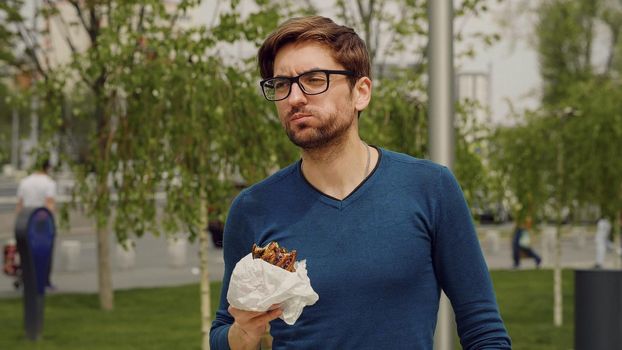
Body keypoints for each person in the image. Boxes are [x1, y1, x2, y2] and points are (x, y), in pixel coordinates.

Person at [210, 16, 511, 349]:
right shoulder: (253, 208)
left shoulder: (430, 188)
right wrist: (243, 334)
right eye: (282, 84)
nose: (294, 97)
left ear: (361, 92)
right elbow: (223, 329)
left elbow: (484, 331)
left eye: (313, 79)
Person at [15, 157, 57, 289]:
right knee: (45, 252)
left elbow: (20, 205)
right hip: (42, 221)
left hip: (26, 219)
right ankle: (44, 281)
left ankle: (26, 278)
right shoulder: (49, 183)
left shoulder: (24, 182)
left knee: (27, 251)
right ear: (47, 168)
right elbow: (49, 204)